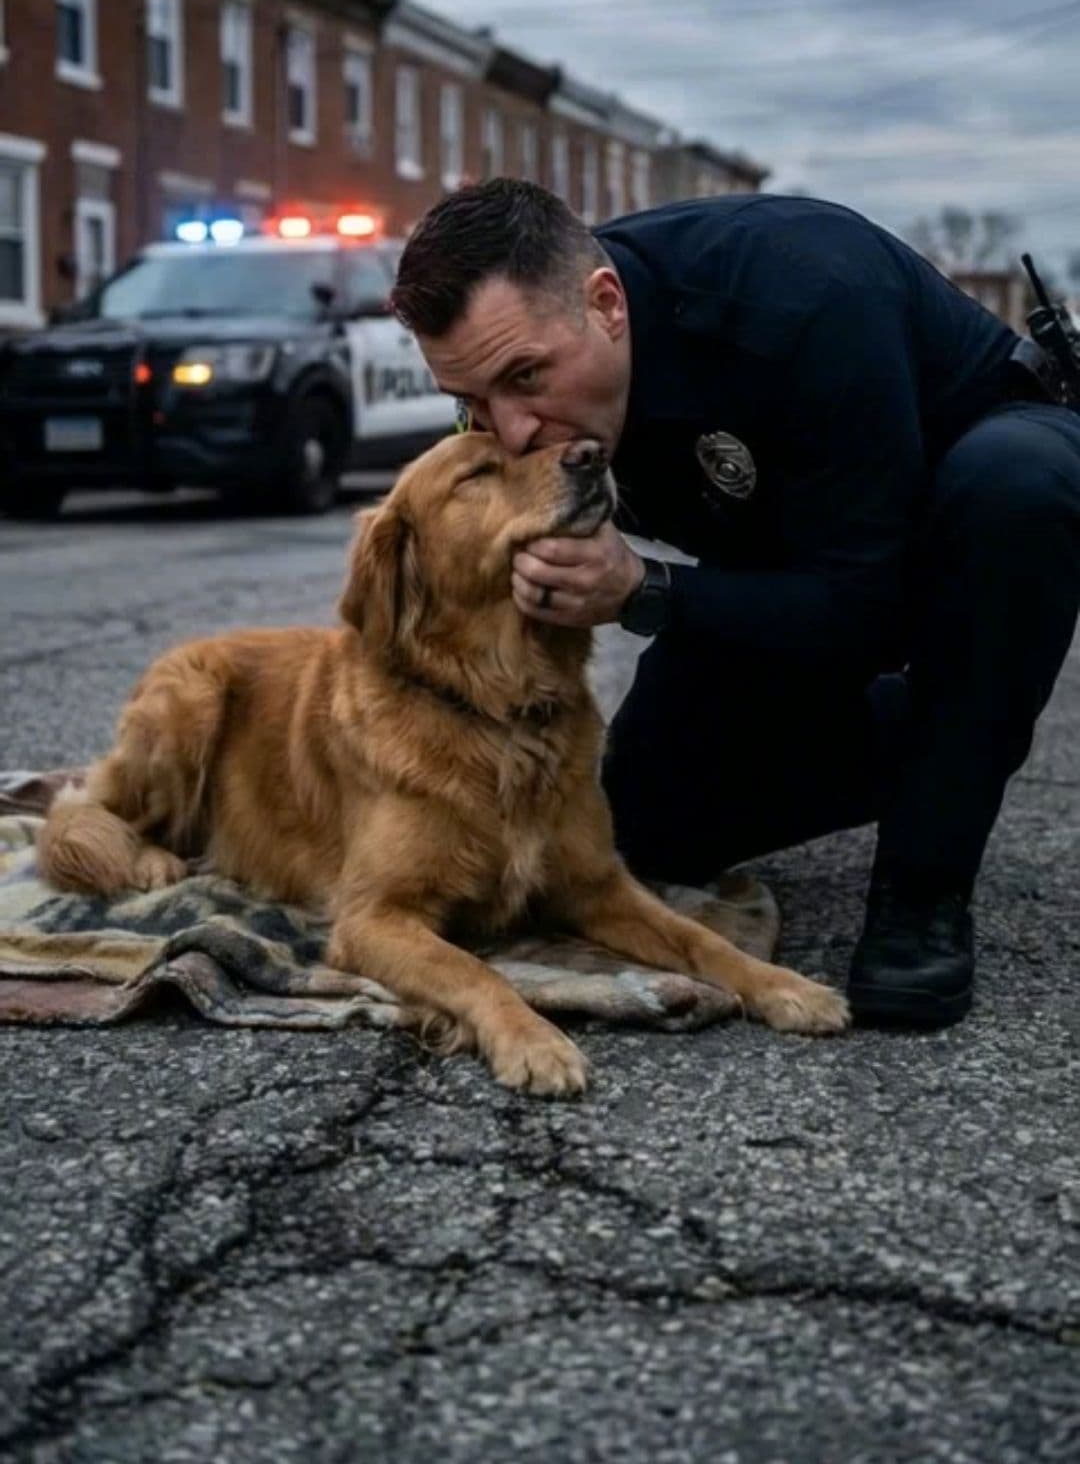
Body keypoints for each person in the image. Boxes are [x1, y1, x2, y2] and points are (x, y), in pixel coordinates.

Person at [391, 178, 1080, 1029]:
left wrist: (641, 588)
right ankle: (934, 733)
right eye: (473, 402)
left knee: (1020, 489)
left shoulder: (801, 292)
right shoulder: (536, 378)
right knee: (645, 821)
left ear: (606, 305)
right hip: (788, 553)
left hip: (951, 504)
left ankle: (925, 881)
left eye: (525, 377)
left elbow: (868, 602)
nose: (513, 428)